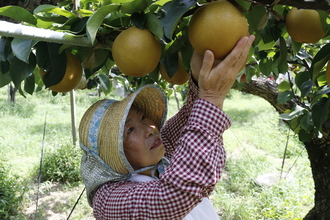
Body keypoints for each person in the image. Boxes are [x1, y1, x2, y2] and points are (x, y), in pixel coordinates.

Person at [79, 35, 255, 220]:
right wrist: (212, 97)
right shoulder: (108, 201)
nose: (150, 129)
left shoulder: (158, 156)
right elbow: (170, 197)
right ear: (112, 154)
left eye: (144, 118)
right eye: (130, 130)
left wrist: (197, 76)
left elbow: (189, 118)